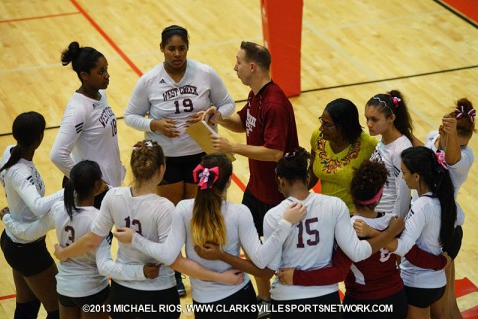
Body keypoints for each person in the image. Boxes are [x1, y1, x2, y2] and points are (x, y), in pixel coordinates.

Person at [54, 142, 243, 319]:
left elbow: (91, 240)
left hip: (123, 293)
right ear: (162, 169)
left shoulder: (113, 196)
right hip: (159, 294)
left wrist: (64, 253)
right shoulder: (165, 208)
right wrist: (219, 277)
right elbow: (175, 261)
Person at [113, 154, 307, 319]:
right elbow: (262, 261)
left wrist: (135, 239)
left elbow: (168, 255)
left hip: (204, 304)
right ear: (229, 181)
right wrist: (285, 224)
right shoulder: (240, 212)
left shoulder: (183, 208)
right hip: (239, 296)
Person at [123, 25, 235, 295]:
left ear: (187, 47)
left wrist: (213, 115)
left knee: (200, 213)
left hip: (202, 157)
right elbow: (129, 115)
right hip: (168, 161)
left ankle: (204, 267)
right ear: (162, 48)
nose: (176, 53)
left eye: (181, 48)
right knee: (172, 218)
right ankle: (175, 273)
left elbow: (228, 104)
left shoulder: (205, 73)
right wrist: (155, 125)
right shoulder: (149, 80)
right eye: (171, 48)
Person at [255, 148, 403, 319]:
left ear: (281, 181)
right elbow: (357, 252)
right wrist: (391, 231)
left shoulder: (273, 216)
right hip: (326, 300)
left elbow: (271, 267)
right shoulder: (335, 205)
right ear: (308, 177)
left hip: (287, 299)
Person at [205, 40, 299, 305]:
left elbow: (275, 152)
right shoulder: (255, 96)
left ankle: (284, 299)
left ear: (252, 66)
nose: (234, 67)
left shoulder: (275, 104)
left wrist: (231, 147)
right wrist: (219, 118)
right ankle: (264, 299)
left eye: (238, 62)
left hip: (276, 194)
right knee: (253, 248)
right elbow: (242, 122)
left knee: (277, 253)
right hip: (256, 189)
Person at [3, 160, 111, 319]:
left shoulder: (59, 209)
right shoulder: (99, 220)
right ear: (96, 185)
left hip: (65, 290)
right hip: (93, 289)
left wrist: (7, 218)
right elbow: (105, 265)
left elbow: (27, 233)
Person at [0, 112, 64, 319]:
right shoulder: (20, 171)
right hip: (27, 249)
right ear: (38, 139)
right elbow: (37, 207)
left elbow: (2, 174)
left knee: (28, 305)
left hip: (16, 242)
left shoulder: (9, 151)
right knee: (58, 308)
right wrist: (68, 190)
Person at [416, 98, 475, 319]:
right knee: (447, 305)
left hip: (442, 233)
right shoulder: (434, 137)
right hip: (436, 229)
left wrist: (450, 137)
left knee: (441, 310)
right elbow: (421, 152)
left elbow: (451, 158)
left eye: (461, 141)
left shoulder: (465, 156)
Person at [383, 147, 457, 319]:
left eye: (404, 172)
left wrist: (378, 236)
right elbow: (459, 224)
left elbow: (403, 248)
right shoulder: (444, 199)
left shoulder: (422, 205)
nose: (402, 177)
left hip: (417, 283)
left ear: (416, 176)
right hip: (437, 282)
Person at [51, 42, 125, 208]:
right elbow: (57, 154)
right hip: (93, 192)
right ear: (84, 75)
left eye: (106, 69)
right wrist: (87, 181)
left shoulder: (101, 95)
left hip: (107, 185)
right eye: (101, 72)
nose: (107, 75)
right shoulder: (78, 109)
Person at [308, 98, 377, 214]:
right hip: (324, 212)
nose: (321, 128)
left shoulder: (369, 145)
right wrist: (296, 194)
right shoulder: (318, 137)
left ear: (342, 127)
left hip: (353, 214)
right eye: (322, 122)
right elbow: (312, 172)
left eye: (327, 125)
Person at [365, 90, 413, 218]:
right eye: (367, 118)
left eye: (374, 119)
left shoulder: (400, 150)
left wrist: (394, 227)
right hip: (374, 213)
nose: (369, 124)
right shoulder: (383, 138)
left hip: (387, 218)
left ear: (391, 118)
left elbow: (403, 194)